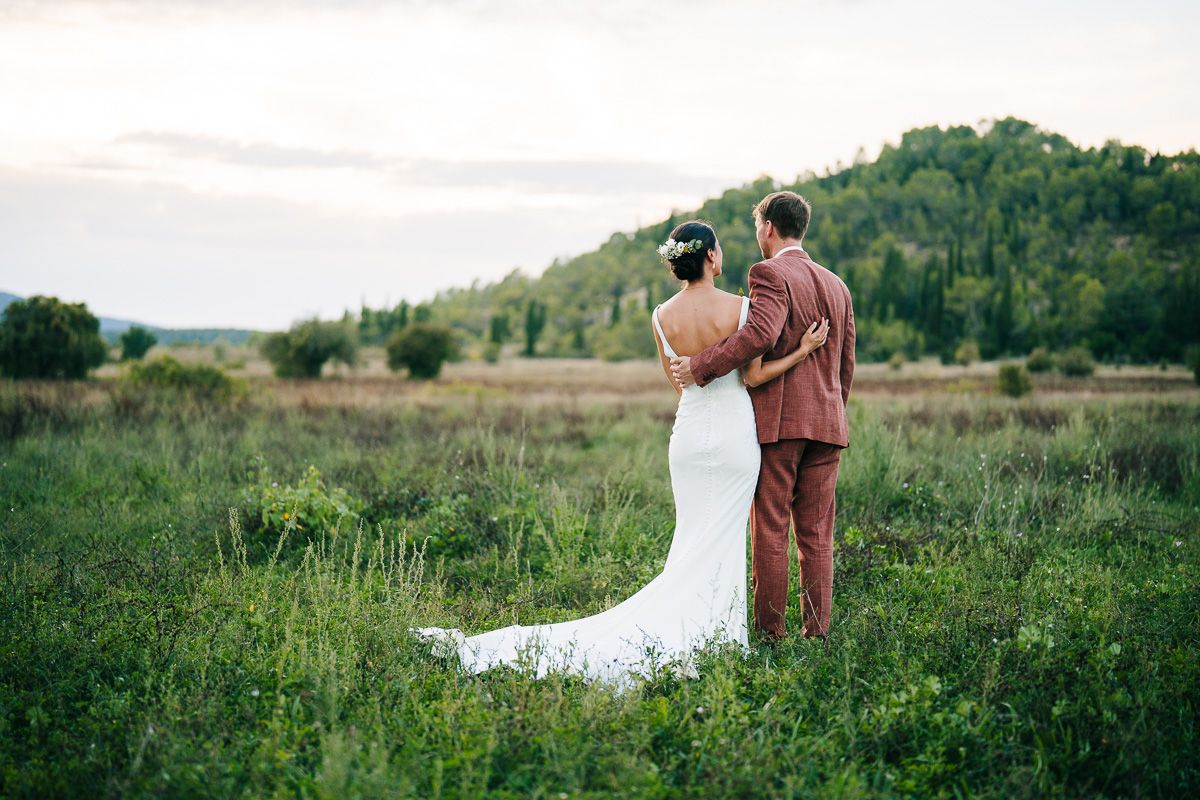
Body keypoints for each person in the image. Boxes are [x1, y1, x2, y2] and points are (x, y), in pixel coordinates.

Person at [410, 219, 827, 690]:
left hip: (688, 436)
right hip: (734, 435)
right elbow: (751, 377)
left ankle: (697, 626)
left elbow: (679, 384)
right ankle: (715, 635)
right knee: (725, 536)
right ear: (711, 257)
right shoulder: (742, 307)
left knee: (692, 536)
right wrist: (803, 350)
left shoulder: (660, 315)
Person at [671, 191, 855, 644]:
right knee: (816, 536)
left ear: (768, 227)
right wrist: (831, 411)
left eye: (757, 226)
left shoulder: (768, 273)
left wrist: (699, 367)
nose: (757, 235)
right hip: (828, 425)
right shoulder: (837, 285)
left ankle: (771, 636)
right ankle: (817, 636)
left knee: (771, 529)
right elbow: (845, 364)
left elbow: (759, 333)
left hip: (780, 426)